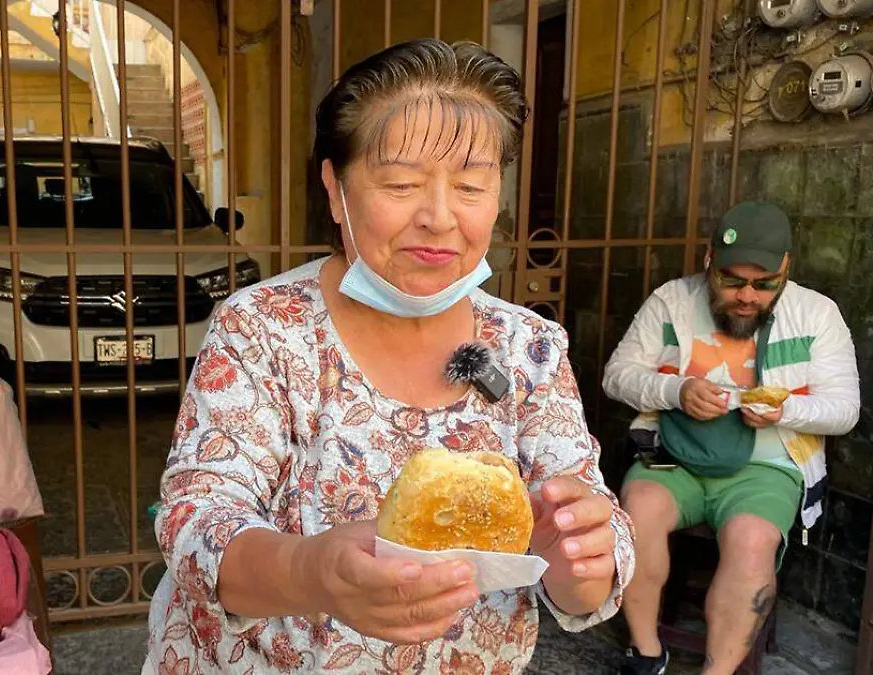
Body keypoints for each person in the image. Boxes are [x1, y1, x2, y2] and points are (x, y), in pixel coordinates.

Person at [144, 39, 635, 675]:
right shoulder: (263, 330)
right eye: (401, 183)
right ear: (334, 185)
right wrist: (312, 570)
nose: (439, 217)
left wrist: (583, 559)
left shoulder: (528, 348)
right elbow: (196, 516)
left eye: (471, 185)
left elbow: (585, 554)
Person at [603, 201, 860, 675]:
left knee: (752, 540)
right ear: (708, 262)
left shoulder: (817, 315)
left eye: (764, 285)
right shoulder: (672, 301)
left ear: (786, 267)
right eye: (731, 281)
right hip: (672, 455)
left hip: (768, 467)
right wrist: (676, 390)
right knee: (636, 513)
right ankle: (645, 652)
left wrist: (787, 410)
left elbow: (845, 411)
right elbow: (616, 377)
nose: (746, 295)